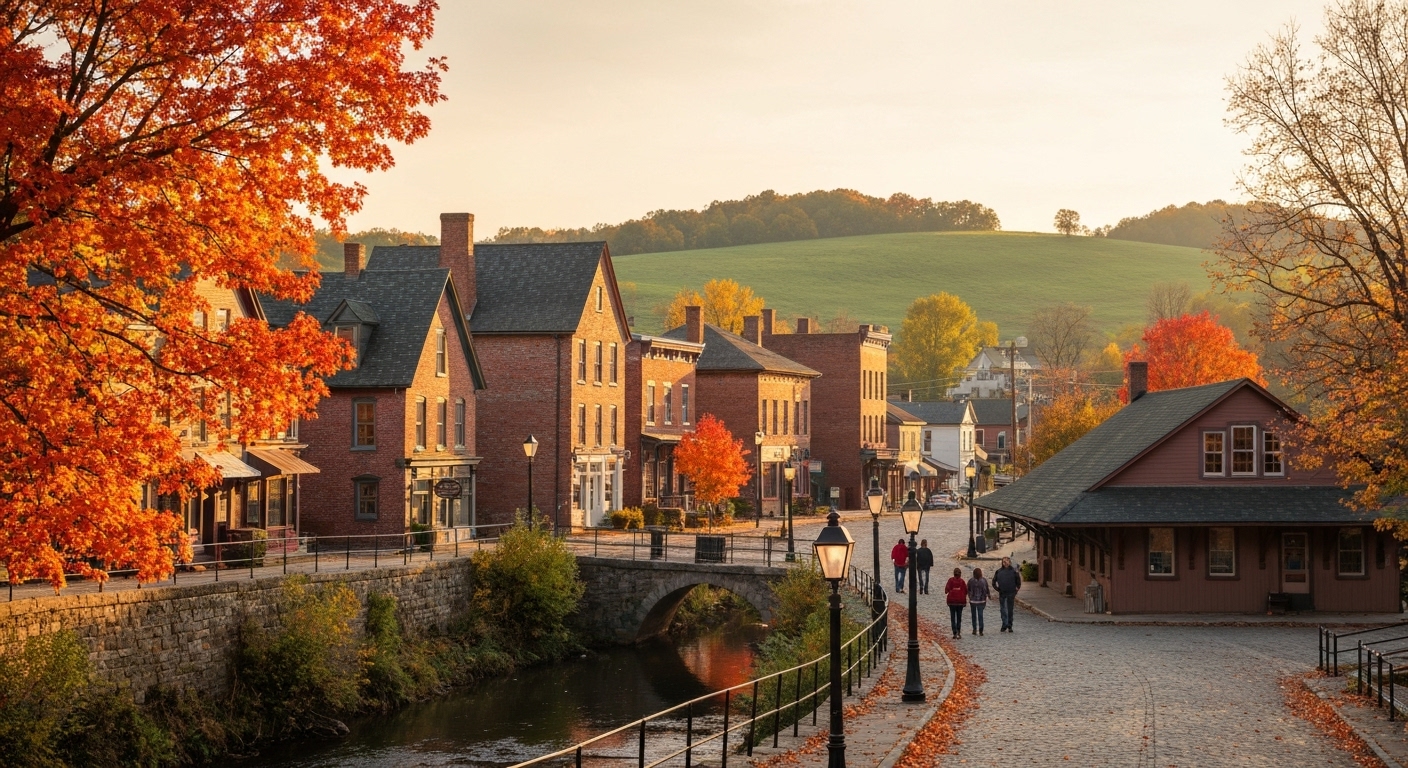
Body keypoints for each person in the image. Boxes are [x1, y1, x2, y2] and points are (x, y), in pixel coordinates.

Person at [993, 556, 1023, 632]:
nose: (1005, 563)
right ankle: (1004, 624)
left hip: (1011, 593)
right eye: (1004, 561)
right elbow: (993, 582)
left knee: (1010, 610)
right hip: (1002, 593)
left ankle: (1009, 625)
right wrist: (998, 589)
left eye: (1007, 561)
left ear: (1009, 562)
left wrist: (1016, 590)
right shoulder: (999, 571)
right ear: (1002, 563)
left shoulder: (1013, 571)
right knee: (1003, 610)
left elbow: (1018, 582)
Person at [944, 567, 967, 639]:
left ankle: (954, 632)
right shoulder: (962, 581)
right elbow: (966, 591)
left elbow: (946, 590)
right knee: (959, 617)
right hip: (960, 601)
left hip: (952, 602)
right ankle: (958, 631)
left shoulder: (951, 580)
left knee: (953, 617)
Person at [967, 567, 990, 636]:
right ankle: (981, 630)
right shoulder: (983, 580)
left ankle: (974, 629)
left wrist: (970, 596)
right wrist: (987, 596)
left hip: (973, 601)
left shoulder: (971, 581)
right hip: (981, 600)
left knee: (973, 615)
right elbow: (986, 589)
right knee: (980, 615)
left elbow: (968, 589)